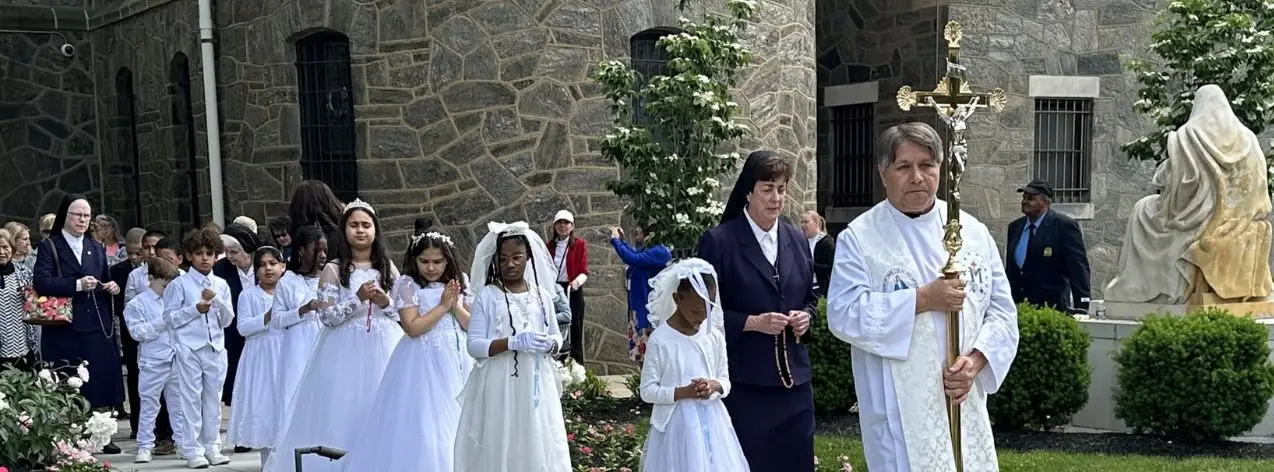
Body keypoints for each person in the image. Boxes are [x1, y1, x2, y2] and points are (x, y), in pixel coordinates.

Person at [826, 122, 1019, 472]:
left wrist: (976, 361)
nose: (917, 177)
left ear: (941, 169)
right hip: (898, 409)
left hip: (963, 398)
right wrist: (923, 299)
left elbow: (1002, 312)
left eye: (927, 165)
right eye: (904, 167)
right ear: (883, 174)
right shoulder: (861, 238)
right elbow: (844, 313)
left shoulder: (971, 232)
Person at [697, 151, 818, 471]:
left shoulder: (795, 236)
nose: (776, 197)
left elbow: (809, 296)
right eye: (767, 188)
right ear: (748, 192)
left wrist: (807, 316)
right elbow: (701, 315)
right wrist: (751, 323)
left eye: (782, 188)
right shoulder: (719, 242)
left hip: (796, 385)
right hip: (747, 386)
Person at [264, 199, 404, 472]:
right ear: (344, 230)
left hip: (384, 344)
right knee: (344, 410)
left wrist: (385, 301)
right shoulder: (333, 269)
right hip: (344, 349)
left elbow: (400, 312)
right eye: (354, 225)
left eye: (366, 225)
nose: (360, 231)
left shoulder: (387, 267)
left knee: (382, 405)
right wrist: (359, 299)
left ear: (375, 230)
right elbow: (327, 317)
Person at [340, 231, 472, 472]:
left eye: (437, 262)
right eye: (424, 261)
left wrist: (455, 308)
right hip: (422, 359)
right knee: (429, 423)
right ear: (415, 259)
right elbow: (412, 327)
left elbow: (470, 324)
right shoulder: (407, 284)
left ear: (448, 259)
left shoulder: (458, 281)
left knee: (464, 417)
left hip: (456, 354)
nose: (431, 268)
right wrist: (443, 306)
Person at [455, 221, 570, 471]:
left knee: (536, 435)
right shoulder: (488, 295)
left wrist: (551, 343)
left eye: (517, 257)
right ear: (496, 260)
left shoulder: (541, 295)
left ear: (528, 257)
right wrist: (511, 342)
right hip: (499, 380)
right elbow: (474, 345)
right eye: (504, 258)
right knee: (503, 435)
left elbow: (554, 333)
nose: (510, 264)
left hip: (536, 380)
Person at [32, 194, 125, 454]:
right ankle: (70, 435)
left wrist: (112, 286)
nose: (83, 219)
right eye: (77, 214)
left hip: (95, 324)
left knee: (99, 380)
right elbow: (42, 282)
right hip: (65, 326)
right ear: (66, 216)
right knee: (68, 380)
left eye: (87, 215)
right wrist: (76, 285)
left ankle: (100, 434)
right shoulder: (50, 246)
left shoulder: (95, 247)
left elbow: (104, 279)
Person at [638, 258, 748, 471]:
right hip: (675, 427)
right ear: (677, 298)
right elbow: (647, 390)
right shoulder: (661, 340)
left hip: (713, 424)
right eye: (696, 312)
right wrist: (683, 392)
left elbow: (724, 379)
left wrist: (713, 386)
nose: (702, 318)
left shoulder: (713, 335)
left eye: (707, 311)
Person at [163, 227, 235, 468]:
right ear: (189, 256)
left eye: (210, 253)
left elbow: (227, 320)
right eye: (199, 253)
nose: (205, 257)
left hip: (215, 347)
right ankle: (192, 449)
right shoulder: (179, 285)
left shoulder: (221, 284)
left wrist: (217, 300)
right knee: (191, 399)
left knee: (213, 400)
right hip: (189, 348)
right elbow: (170, 318)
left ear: (216, 256)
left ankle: (212, 445)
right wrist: (194, 309)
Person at [122, 257, 187, 464]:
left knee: (178, 404)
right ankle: (144, 445)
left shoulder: (175, 300)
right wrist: (163, 323)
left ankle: (183, 443)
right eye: (164, 283)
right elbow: (137, 332)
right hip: (152, 360)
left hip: (175, 358)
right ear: (151, 279)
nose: (168, 288)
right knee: (149, 405)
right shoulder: (137, 303)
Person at [227, 246, 287, 464]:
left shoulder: (289, 292)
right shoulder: (249, 295)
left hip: (285, 353)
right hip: (260, 356)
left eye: (272, 263)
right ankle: (266, 464)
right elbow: (242, 327)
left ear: (283, 266)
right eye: (262, 265)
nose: (268, 269)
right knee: (264, 406)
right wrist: (268, 317)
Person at [268, 225, 326, 423]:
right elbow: (276, 320)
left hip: (325, 341)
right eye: (317, 251)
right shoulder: (288, 282)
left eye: (325, 251)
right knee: (295, 392)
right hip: (298, 345)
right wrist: (302, 310)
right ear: (302, 251)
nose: (323, 255)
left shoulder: (330, 278)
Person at [1006, 179, 1091, 313]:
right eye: (1024, 198)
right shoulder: (1015, 228)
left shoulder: (1064, 226)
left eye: (1030, 198)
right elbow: (1010, 271)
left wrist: (1082, 307)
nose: (1024, 201)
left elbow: (1078, 269)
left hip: (1051, 309)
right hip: (1019, 308)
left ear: (1045, 202)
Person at [213, 224, 260, 414]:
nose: (230, 256)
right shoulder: (221, 270)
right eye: (227, 252)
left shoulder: (265, 263)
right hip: (234, 331)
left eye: (234, 251)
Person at [609, 225, 671, 363]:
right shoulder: (647, 250)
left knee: (650, 358)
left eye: (638, 233)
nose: (636, 237)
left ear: (649, 234)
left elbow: (632, 258)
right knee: (640, 356)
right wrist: (623, 241)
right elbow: (636, 255)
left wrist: (615, 241)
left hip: (649, 313)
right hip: (639, 309)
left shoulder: (660, 251)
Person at [546, 210, 589, 363]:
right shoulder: (549, 246)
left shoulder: (579, 244)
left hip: (572, 289)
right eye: (559, 223)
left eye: (566, 223)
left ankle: (577, 366)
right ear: (555, 226)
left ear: (572, 226)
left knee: (575, 328)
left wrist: (576, 282)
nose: (563, 226)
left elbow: (584, 270)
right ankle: (557, 363)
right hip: (554, 290)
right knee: (555, 326)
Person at [0, 228, 35, 368]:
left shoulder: (23, 272)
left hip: (20, 339)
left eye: (5, 247)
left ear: (12, 248)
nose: (1, 252)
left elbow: (34, 302)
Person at [800, 211, 835, 297]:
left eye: (806, 222)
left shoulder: (826, 242)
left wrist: (811, 265)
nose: (803, 225)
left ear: (817, 223)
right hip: (804, 289)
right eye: (801, 222)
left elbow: (832, 267)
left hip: (821, 290)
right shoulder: (800, 241)